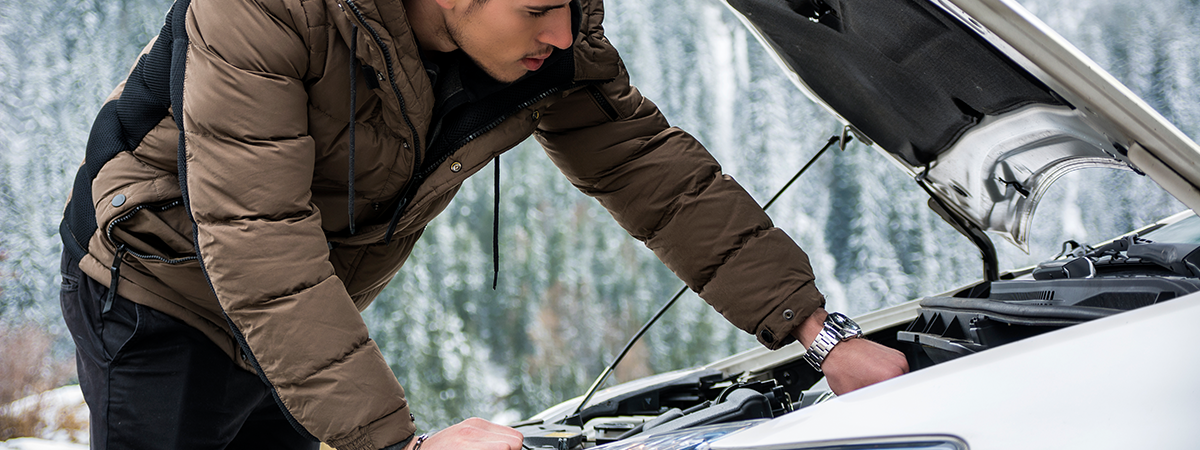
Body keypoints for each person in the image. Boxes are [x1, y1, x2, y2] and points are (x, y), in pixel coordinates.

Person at [58, 0, 908, 448]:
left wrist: (820, 333)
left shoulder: (549, 31)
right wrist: (400, 448)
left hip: (302, 305)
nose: (564, 31)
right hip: (157, 284)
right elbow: (258, 236)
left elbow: (653, 171)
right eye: (539, 9)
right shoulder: (268, 10)